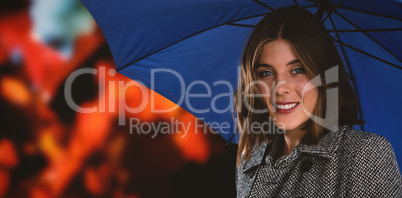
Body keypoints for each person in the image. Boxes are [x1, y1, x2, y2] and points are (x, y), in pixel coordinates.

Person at [234, 6, 402, 198]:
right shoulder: (250, 162)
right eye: (267, 73)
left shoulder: (366, 155)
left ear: (324, 76)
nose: (280, 88)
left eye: (297, 70)